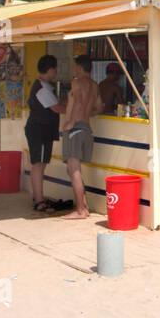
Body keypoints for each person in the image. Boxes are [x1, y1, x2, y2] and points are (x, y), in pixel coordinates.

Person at [61, 54, 103, 219]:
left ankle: (80, 210)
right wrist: (84, 116)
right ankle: (84, 206)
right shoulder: (95, 85)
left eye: (74, 66)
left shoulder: (77, 82)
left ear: (79, 67)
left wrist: (71, 120)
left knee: (74, 169)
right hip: (86, 128)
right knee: (73, 169)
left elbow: (75, 102)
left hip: (75, 129)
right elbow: (99, 108)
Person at [24, 54, 66, 213]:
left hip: (42, 130)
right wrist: (77, 109)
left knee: (41, 164)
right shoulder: (41, 88)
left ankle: (38, 196)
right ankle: (39, 200)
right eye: (55, 69)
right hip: (39, 130)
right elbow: (56, 108)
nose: (56, 72)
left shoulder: (45, 86)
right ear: (50, 69)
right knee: (38, 164)